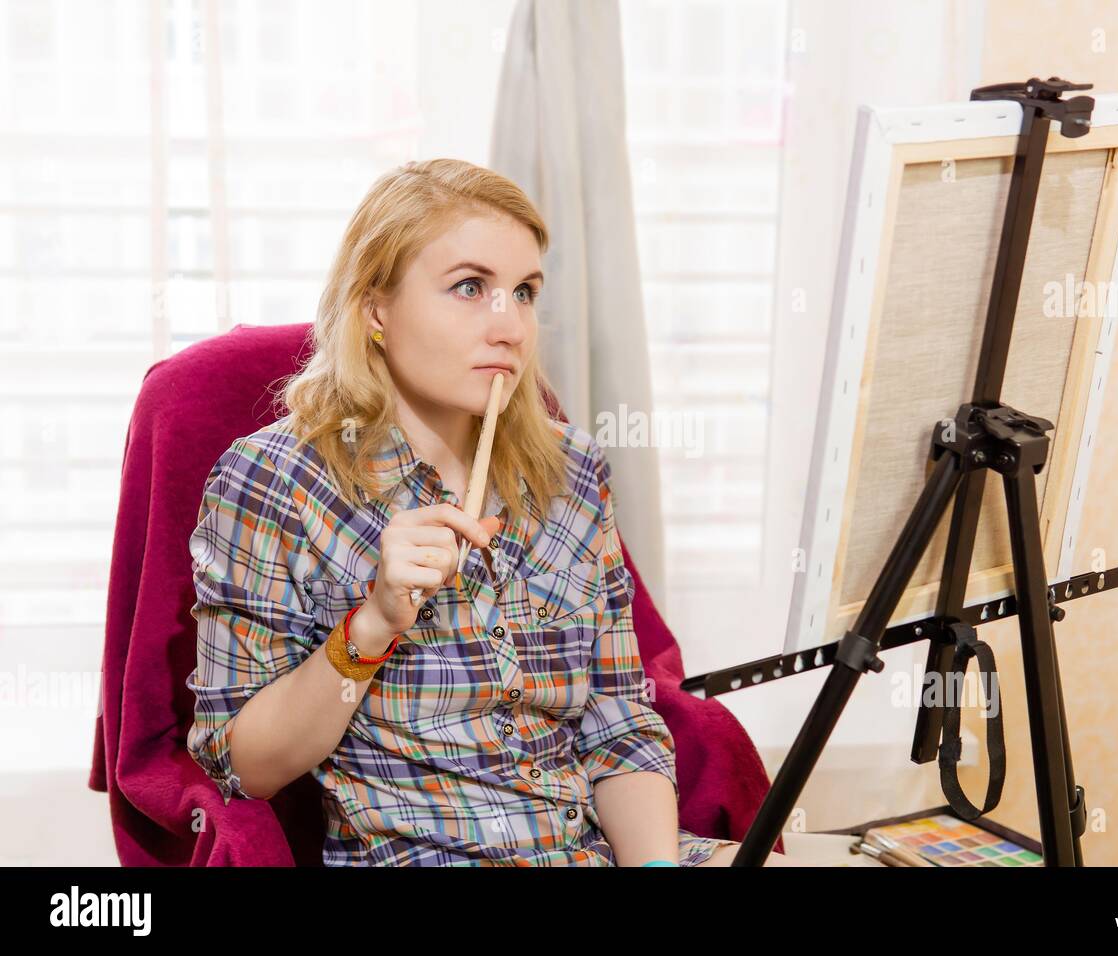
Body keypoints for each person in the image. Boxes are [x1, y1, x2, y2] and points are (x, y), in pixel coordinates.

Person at [184, 158, 795, 867]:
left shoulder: (571, 471)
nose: (510, 327)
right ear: (376, 308)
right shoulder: (273, 478)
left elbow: (618, 721)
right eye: (470, 288)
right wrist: (374, 623)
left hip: (586, 851)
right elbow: (243, 762)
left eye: (525, 292)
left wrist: (654, 867)